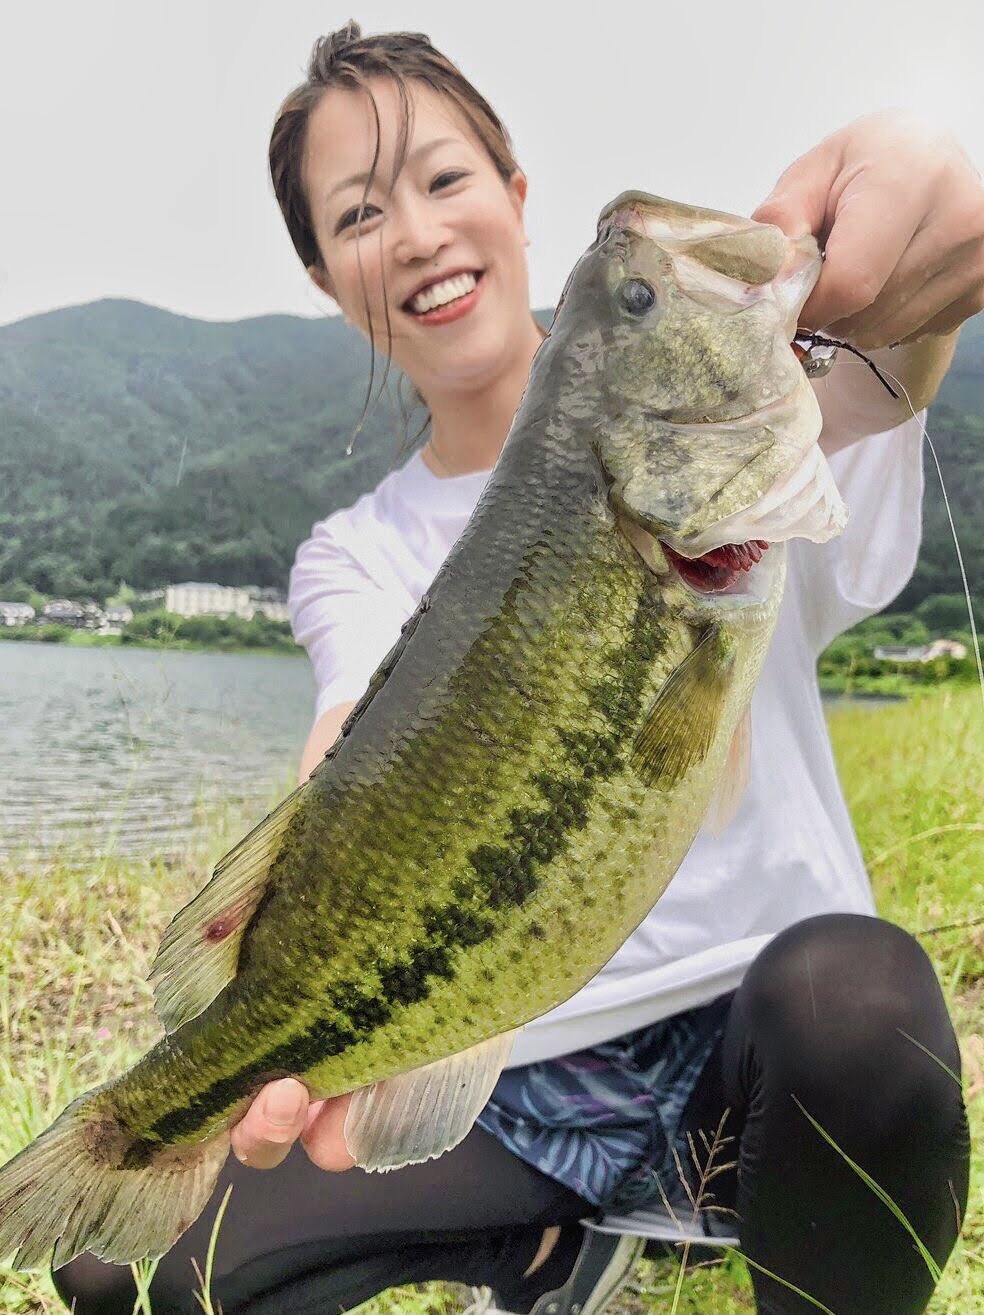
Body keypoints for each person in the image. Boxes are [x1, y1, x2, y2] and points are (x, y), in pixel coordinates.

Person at [52, 21, 980, 1315]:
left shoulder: (743, 467)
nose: (422, 232)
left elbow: (900, 346)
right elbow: (361, 728)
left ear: (515, 195)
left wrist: (926, 174)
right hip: (516, 1079)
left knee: (858, 999)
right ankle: (554, 1249)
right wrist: (314, 887)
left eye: (444, 179)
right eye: (362, 213)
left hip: (764, 1051)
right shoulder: (353, 553)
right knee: (123, 1268)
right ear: (326, 276)